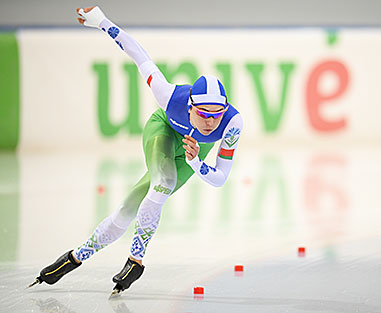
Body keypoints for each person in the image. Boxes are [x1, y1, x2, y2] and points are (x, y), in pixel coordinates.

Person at [29, 6, 243, 297]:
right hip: (163, 131)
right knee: (163, 182)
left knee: (131, 206)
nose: (210, 122)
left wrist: (195, 162)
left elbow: (220, 177)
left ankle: (75, 257)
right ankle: (136, 260)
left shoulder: (232, 124)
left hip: (193, 155)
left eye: (217, 114)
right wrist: (102, 22)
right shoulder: (168, 96)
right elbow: (140, 56)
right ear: (190, 107)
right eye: (204, 113)